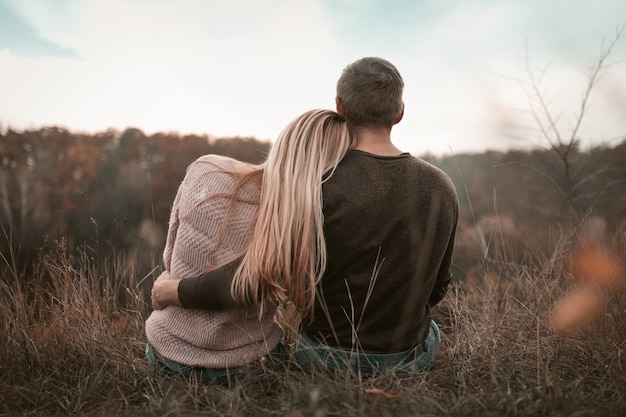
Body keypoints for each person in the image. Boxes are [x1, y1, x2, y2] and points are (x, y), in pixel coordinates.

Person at [152, 57, 460, 375]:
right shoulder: (442, 185)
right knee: (432, 332)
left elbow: (255, 278)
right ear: (399, 113)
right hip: (407, 358)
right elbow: (438, 288)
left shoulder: (317, 185)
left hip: (325, 356)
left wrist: (173, 290)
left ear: (340, 106)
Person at [145, 109, 354, 384]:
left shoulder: (205, 169)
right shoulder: (300, 224)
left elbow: (170, 255)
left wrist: (170, 288)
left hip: (168, 355)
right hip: (251, 365)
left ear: (286, 141)